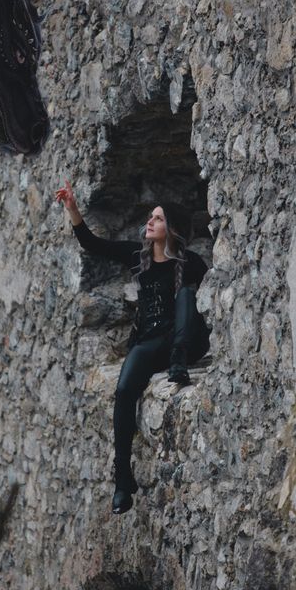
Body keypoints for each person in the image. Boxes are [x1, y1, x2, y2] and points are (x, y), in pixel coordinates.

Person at [55, 180, 210, 515]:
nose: (150, 222)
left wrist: (183, 348)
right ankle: (123, 477)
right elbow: (93, 244)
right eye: (150, 217)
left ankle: (178, 360)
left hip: (185, 341)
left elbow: (202, 308)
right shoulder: (137, 256)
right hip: (151, 340)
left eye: (158, 218)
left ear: (173, 229)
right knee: (125, 389)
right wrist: (73, 209)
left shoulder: (192, 262)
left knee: (185, 294)